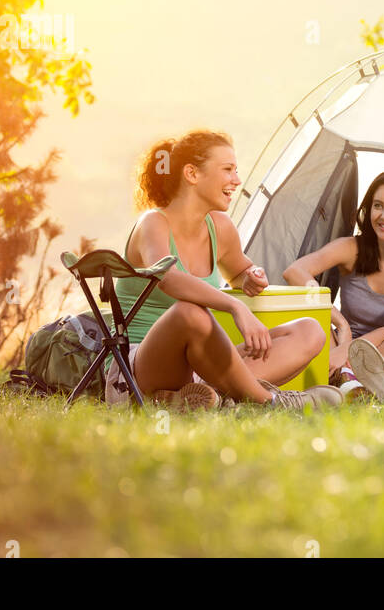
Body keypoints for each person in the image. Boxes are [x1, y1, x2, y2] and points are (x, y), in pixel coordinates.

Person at [105, 130, 341, 410]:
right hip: (139, 366)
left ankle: (205, 398)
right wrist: (235, 306)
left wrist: (251, 276)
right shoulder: (153, 224)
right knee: (189, 312)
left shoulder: (219, 226)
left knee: (310, 331)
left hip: (200, 368)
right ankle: (271, 402)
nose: (237, 180)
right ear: (192, 174)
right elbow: (168, 279)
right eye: (228, 170)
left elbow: (238, 271)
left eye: (236, 170)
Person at [283, 170, 384, 402]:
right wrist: (340, 323)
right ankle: (343, 381)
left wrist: (349, 355)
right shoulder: (351, 248)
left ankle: (352, 377)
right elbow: (295, 272)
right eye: (378, 206)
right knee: (311, 311)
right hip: (341, 345)